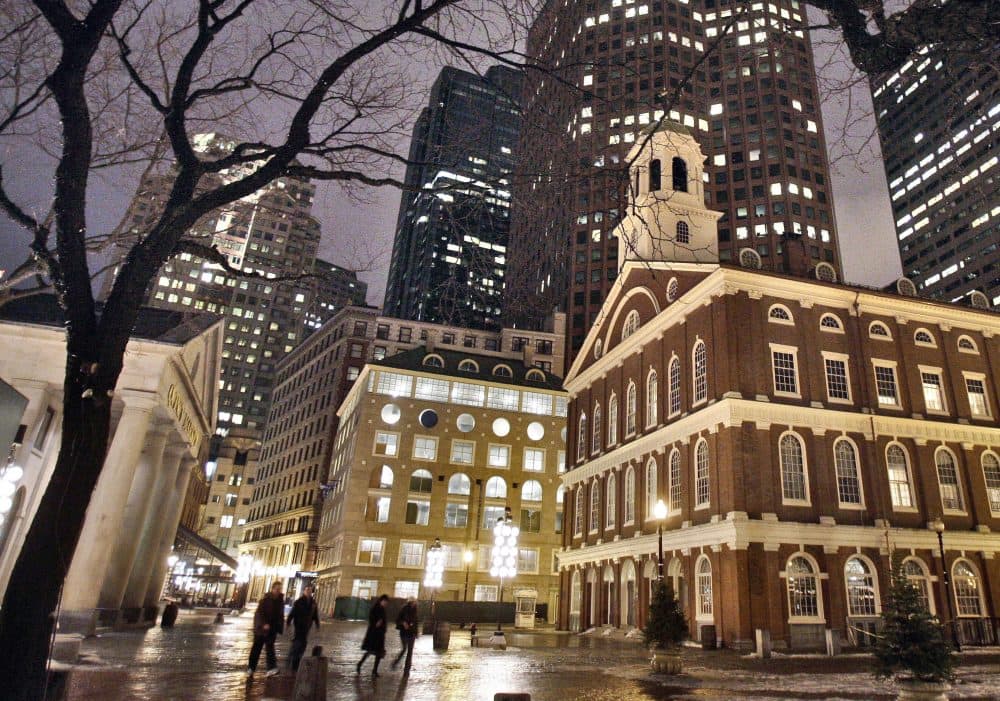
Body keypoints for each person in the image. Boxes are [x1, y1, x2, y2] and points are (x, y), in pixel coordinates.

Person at [246, 581, 285, 679]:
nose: (278, 591)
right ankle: (251, 668)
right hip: (261, 629)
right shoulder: (265, 600)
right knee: (256, 648)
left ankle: (271, 668)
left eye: (280, 589)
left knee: (270, 648)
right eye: (277, 589)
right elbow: (259, 613)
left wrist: (279, 626)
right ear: (273, 589)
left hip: (272, 629)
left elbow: (280, 615)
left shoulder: (280, 601)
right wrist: (263, 624)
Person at [286, 585, 320, 671]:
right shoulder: (299, 602)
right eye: (307, 590)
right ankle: (294, 663)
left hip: (307, 627)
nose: (309, 592)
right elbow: (292, 613)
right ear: (304, 591)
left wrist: (317, 624)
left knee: (303, 644)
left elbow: (315, 615)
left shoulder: (313, 603)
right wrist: (288, 622)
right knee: (298, 643)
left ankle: (292, 658)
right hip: (298, 626)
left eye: (310, 590)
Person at [357, 594, 389, 678]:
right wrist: (376, 623)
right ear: (381, 600)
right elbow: (371, 619)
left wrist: (384, 629)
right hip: (373, 634)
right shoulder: (375, 608)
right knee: (370, 651)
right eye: (385, 601)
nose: (386, 603)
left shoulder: (383, 609)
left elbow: (384, 621)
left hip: (380, 635)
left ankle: (374, 671)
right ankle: (360, 664)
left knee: (379, 653)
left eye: (386, 602)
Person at [391, 598, 419, 675]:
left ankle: (406, 670)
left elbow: (416, 623)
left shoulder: (415, 611)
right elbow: (397, 620)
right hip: (404, 633)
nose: (414, 604)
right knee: (404, 649)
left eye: (415, 603)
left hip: (412, 633)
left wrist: (416, 633)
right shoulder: (404, 609)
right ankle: (395, 662)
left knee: (410, 652)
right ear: (410, 602)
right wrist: (403, 623)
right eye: (413, 602)